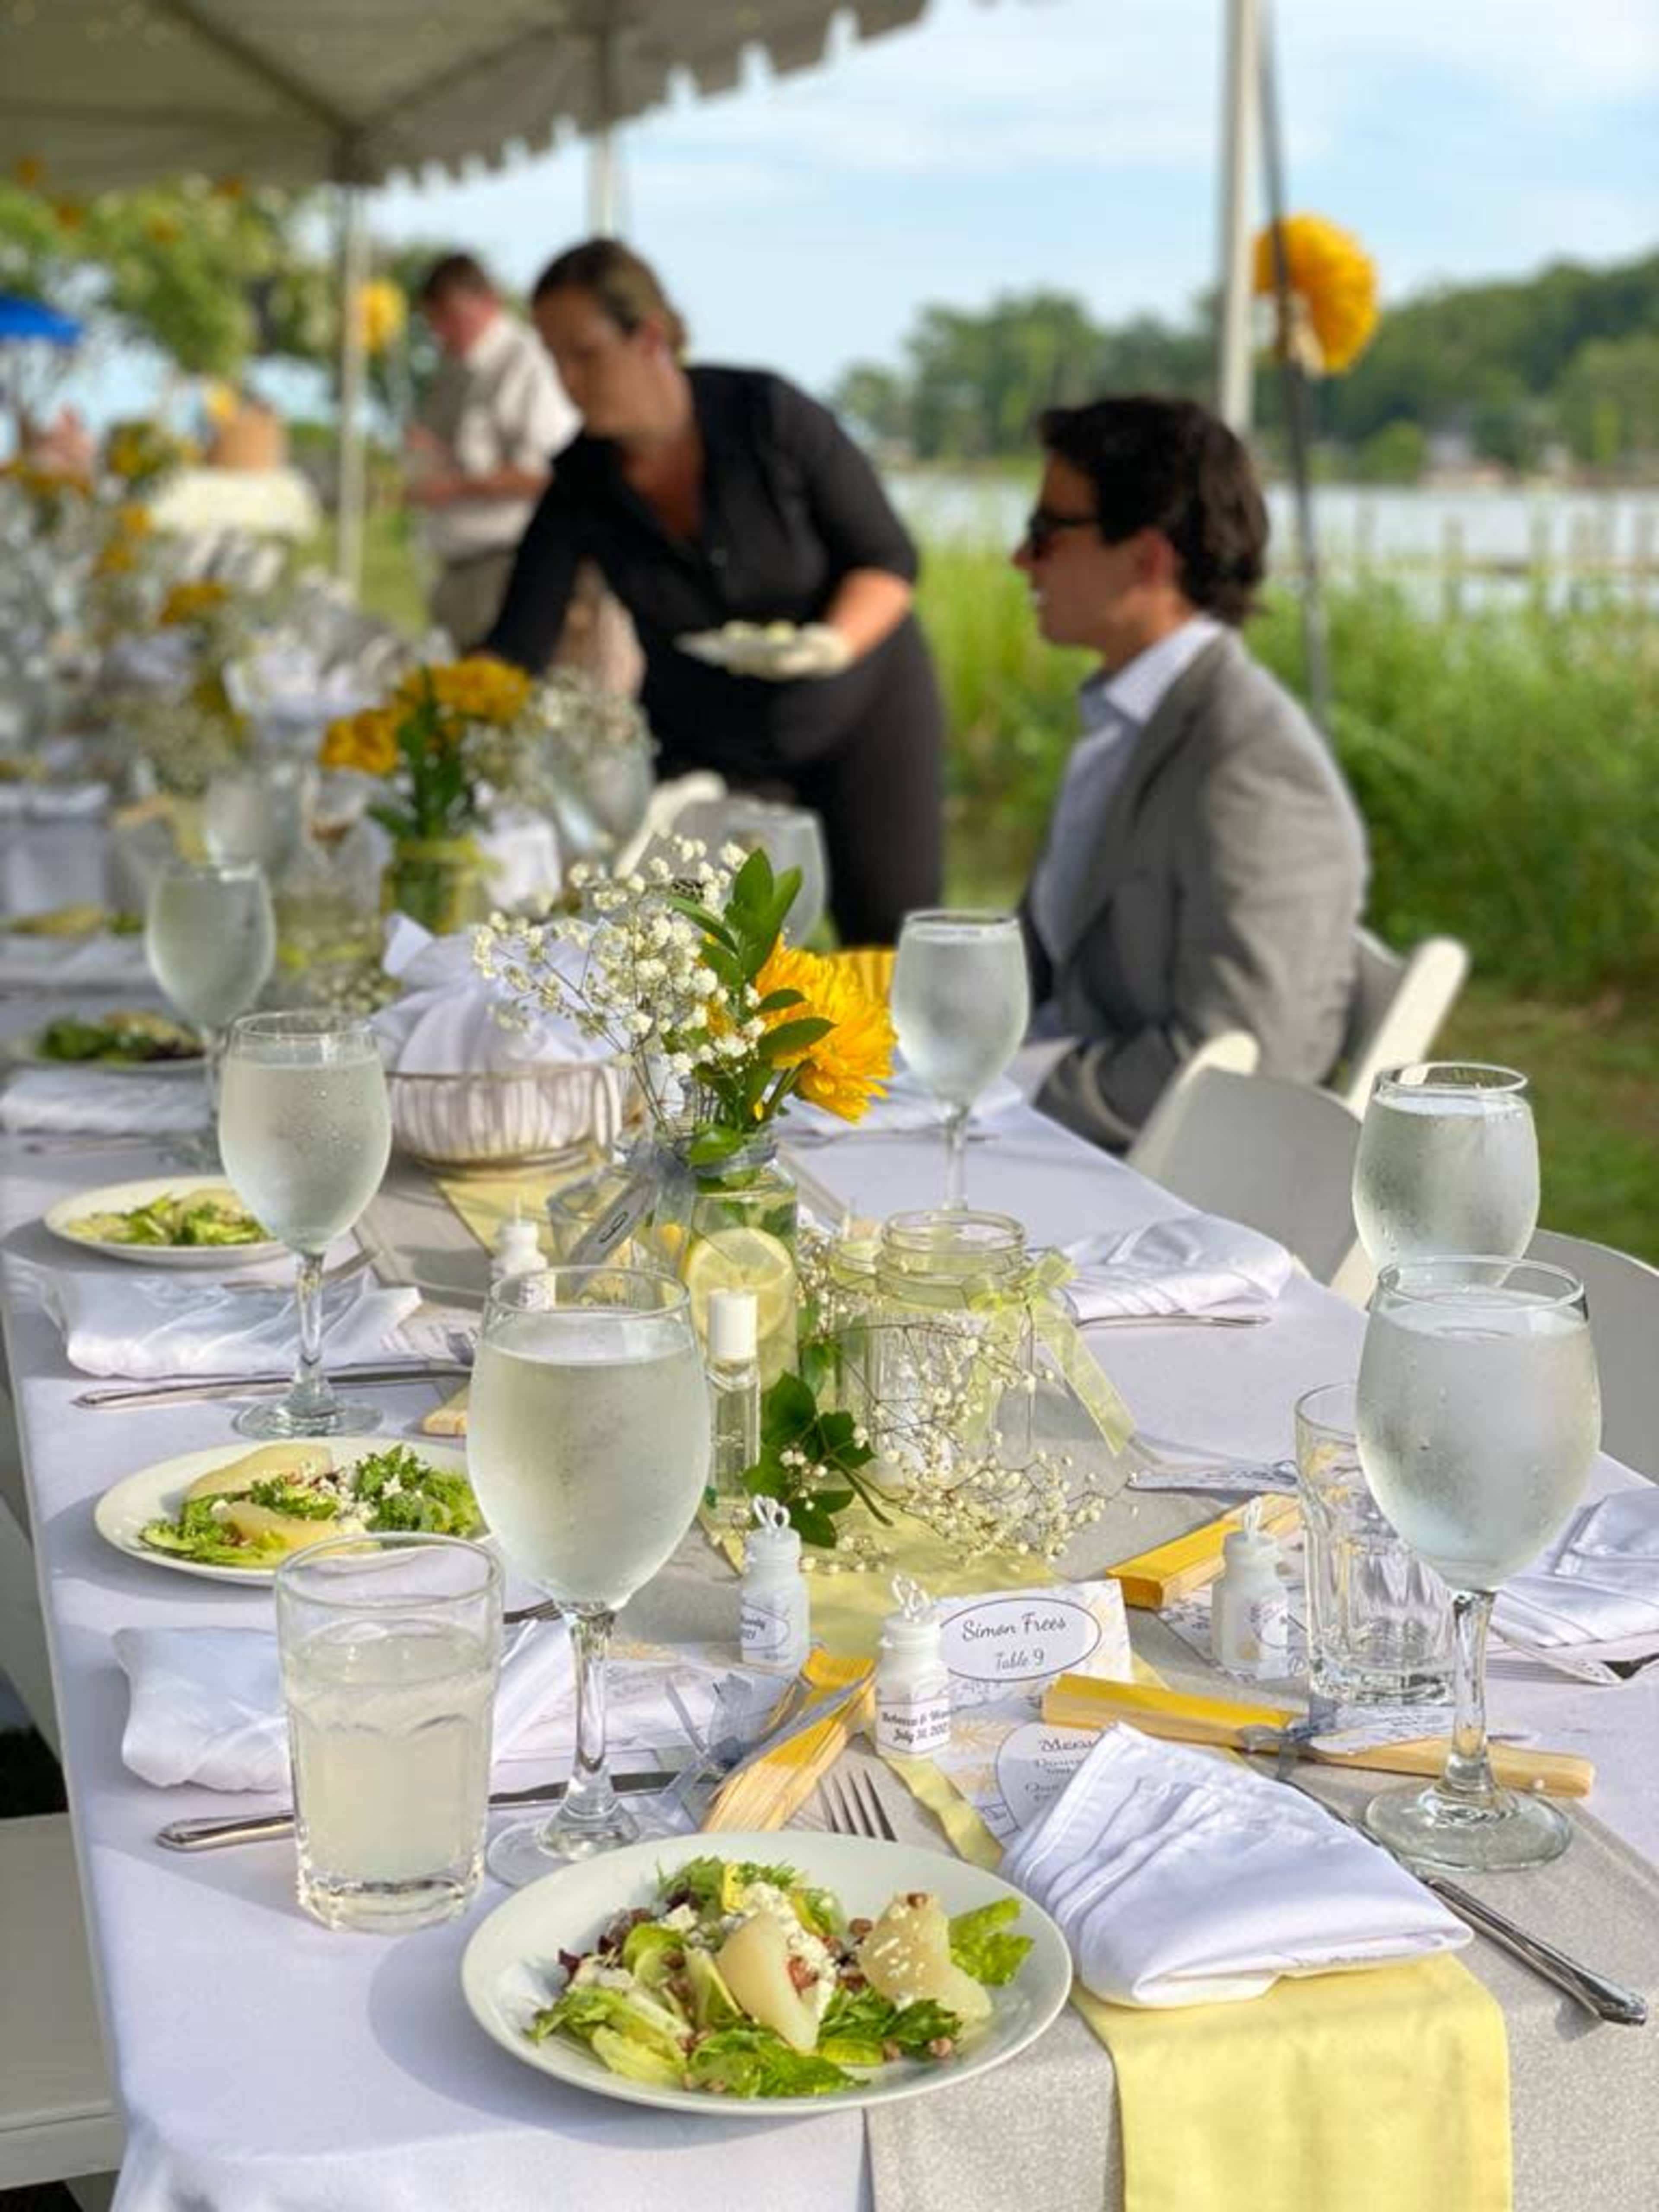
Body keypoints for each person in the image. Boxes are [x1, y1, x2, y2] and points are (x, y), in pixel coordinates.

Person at [484, 238, 944, 946]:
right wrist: (434, 716)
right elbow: (516, 646)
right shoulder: (580, 481)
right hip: (709, 746)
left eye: (584, 354)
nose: (567, 381)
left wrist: (828, 645)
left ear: (650, 336)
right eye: (553, 358)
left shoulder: (767, 415)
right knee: (689, 950)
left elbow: (887, 560)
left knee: (888, 938)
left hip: (863, 708)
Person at [1013, 394, 1368, 1151]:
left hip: (1138, 1179)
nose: (1022, 558)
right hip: (1052, 1136)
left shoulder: (1252, 762)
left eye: (1046, 532)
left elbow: (1248, 1067)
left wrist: (1009, 1087)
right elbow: (1052, 967)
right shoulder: (1135, 719)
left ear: (1147, 558)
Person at [408, 253, 580, 652]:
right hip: (459, 569)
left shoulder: (529, 364)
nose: (443, 333)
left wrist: (456, 487)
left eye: (453, 318)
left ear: (489, 302)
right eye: (435, 322)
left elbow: (550, 476)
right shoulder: (454, 367)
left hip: (507, 569)